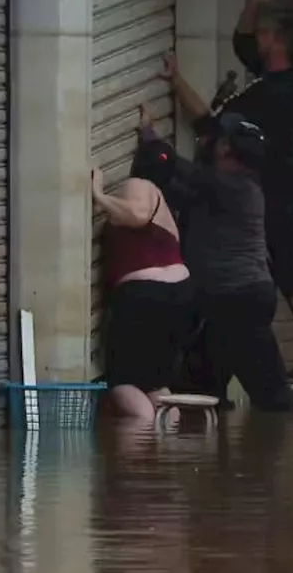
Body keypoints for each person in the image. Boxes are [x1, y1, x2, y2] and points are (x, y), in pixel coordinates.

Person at [160, 0, 293, 385]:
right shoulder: (284, 80)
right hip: (292, 196)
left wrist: (176, 81)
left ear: (277, 44)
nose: (254, 36)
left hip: (284, 200)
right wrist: (254, 4)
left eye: (264, 31)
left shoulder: (270, 97)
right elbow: (243, 44)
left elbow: (209, 122)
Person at [141, 107, 293, 412]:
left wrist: (150, 139)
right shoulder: (228, 189)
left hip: (239, 303)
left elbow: (171, 165)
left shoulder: (228, 186)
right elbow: (178, 192)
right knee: (199, 391)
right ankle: (222, 457)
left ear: (225, 148)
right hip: (224, 303)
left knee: (275, 401)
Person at [91, 147, 194, 420]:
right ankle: (164, 448)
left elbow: (137, 215)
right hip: (179, 295)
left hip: (145, 297)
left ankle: (136, 446)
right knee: (154, 383)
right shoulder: (168, 210)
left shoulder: (139, 185)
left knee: (123, 380)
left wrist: (99, 196)